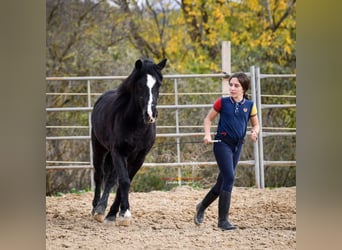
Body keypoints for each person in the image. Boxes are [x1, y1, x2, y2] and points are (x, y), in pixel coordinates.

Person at [194, 72, 259, 230]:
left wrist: (255, 132)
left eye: (236, 85)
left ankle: (201, 206)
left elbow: (256, 124)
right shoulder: (222, 102)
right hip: (222, 144)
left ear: (243, 88)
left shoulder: (250, 105)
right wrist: (208, 134)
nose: (232, 88)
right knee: (229, 177)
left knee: (221, 183)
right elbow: (208, 119)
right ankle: (223, 221)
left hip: (238, 145)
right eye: (231, 85)